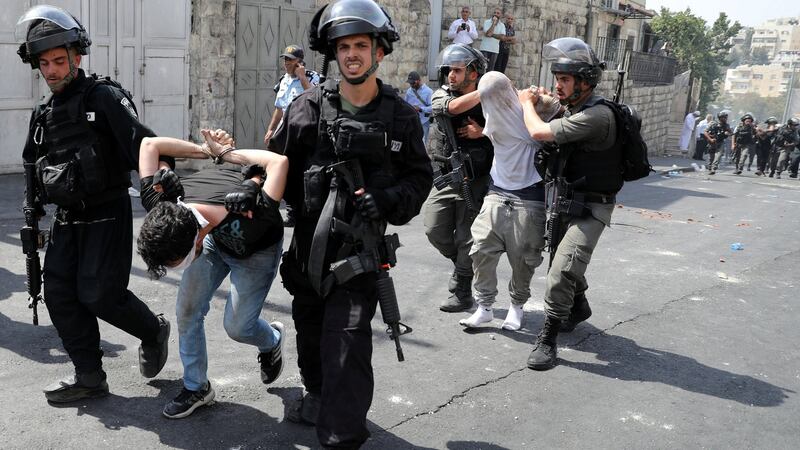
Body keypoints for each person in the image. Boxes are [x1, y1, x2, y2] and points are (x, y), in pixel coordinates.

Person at [267, 0, 432, 446]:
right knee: (311, 335)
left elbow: (420, 177)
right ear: (333, 53)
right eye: (344, 46)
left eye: (362, 45)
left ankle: (342, 436)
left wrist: (388, 199)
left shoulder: (400, 115)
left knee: (348, 348)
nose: (353, 54)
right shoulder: (305, 108)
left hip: (358, 260)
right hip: (306, 255)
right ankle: (317, 392)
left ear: (379, 52)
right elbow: (274, 167)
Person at [16, 5, 170, 402]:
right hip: (68, 218)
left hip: (108, 210)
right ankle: (89, 376)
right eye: (44, 63)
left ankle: (153, 330)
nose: (50, 70)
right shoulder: (43, 114)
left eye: (58, 61)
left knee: (100, 293)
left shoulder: (102, 97)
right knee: (60, 295)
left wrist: (160, 189)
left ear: (76, 58)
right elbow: (33, 165)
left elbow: (145, 144)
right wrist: (31, 216)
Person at [136, 130, 288, 419]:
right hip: (212, 242)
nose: (172, 269)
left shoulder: (254, 213)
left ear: (191, 241)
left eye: (175, 261)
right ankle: (196, 387)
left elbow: (278, 162)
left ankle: (272, 340)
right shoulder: (163, 204)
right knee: (187, 310)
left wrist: (226, 156)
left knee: (239, 327)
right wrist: (206, 150)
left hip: (255, 251)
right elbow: (149, 144)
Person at [519, 37, 621, 371]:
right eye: (557, 78)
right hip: (564, 202)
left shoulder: (598, 116)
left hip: (592, 207)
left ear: (585, 82)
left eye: (565, 80)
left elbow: (539, 133)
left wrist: (526, 104)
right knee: (559, 266)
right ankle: (578, 306)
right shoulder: (574, 109)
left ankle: (548, 340)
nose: (558, 85)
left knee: (562, 269)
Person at [458, 71, 561, 331]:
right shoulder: (491, 116)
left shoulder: (532, 109)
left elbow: (553, 115)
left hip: (529, 195)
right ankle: (484, 308)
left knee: (523, 259)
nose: (494, 102)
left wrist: (540, 100)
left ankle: (516, 308)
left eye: (496, 95)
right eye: (487, 97)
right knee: (481, 249)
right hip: (497, 191)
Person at [425, 43, 494, 313]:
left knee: (467, 237)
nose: (450, 76)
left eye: (457, 70)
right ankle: (463, 266)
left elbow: (511, 132)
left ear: (474, 73)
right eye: (448, 70)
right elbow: (451, 109)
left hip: (475, 180)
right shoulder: (441, 95)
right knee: (434, 229)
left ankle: (462, 288)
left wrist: (484, 131)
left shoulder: (492, 102)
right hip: (446, 177)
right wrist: (486, 90)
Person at [264, 44, 320, 227]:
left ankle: (305, 210)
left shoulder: (312, 78)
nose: (286, 63)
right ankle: (290, 212)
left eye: (290, 60)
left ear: (299, 62)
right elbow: (279, 109)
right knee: (283, 171)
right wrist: (271, 129)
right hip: (283, 133)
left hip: (303, 133)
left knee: (301, 172)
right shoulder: (283, 81)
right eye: (285, 59)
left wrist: (302, 77)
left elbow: (315, 99)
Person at [404, 70, 434, 145]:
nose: (411, 85)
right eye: (410, 83)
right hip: (411, 121)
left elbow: (433, 107)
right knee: (410, 143)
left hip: (423, 122)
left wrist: (421, 109)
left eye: (412, 83)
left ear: (418, 81)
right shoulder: (409, 91)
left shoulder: (429, 92)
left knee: (422, 143)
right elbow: (405, 105)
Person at [703, 111, 732, 175]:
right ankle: (710, 168)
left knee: (719, 155)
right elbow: (705, 132)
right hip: (713, 142)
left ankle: (714, 168)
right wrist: (710, 139)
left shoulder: (726, 125)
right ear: (720, 118)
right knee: (711, 157)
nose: (725, 119)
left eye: (726, 117)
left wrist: (728, 133)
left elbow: (731, 133)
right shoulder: (713, 124)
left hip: (720, 142)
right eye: (724, 117)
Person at [478, 7, 505, 72]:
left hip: (494, 50)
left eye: (498, 13)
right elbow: (487, 34)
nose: (495, 14)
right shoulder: (487, 22)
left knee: (490, 69)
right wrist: (493, 24)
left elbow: (502, 37)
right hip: (485, 48)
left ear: (500, 15)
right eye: (494, 12)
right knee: (483, 68)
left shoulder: (502, 25)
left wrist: (492, 35)